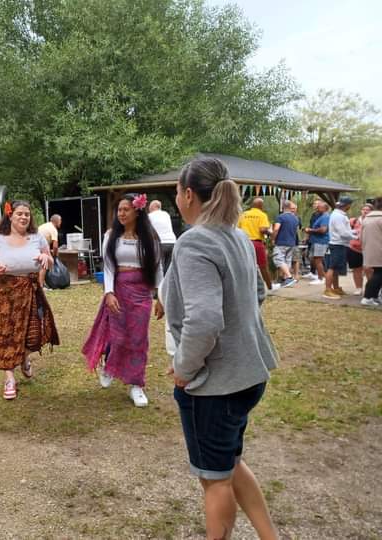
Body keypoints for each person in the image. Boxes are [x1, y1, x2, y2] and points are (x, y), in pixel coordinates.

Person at [161, 157, 279, 540]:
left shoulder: (195, 241)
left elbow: (205, 320)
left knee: (215, 480)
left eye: (176, 192)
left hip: (216, 386)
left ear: (188, 194)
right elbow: (258, 293)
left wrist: (184, 368)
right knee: (230, 463)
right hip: (249, 375)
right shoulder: (238, 236)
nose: (177, 198)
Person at [82, 193, 161, 407]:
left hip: (142, 293)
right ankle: (109, 366)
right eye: (119, 210)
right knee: (117, 335)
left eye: (126, 209)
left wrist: (160, 296)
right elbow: (108, 266)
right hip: (118, 290)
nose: (121, 213)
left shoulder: (150, 237)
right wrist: (108, 292)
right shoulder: (111, 236)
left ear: (137, 211)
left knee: (138, 339)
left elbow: (157, 267)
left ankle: (136, 384)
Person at [0, 200, 59, 400]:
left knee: (33, 335)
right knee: (6, 335)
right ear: (10, 215)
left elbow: (50, 260)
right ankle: (9, 378)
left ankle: (23, 358)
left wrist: (46, 259)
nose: (24, 217)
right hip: (4, 293)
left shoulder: (37, 237)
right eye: (19, 214)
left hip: (31, 289)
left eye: (27, 214)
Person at [238, 198, 275, 290]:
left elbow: (237, 228)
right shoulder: (262, 215)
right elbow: (262, 229)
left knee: (244, 265)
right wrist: (270, 232)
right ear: (261, 206)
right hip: (256, 243)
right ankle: (270, 287)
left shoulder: (243, 214)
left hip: (243, 242)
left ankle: (243, 287)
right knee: (263, 266)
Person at [324, 196, 356, 299]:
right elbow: (343, 233)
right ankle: (327, 290)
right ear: (347, 205)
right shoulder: (338, 216)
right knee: (332, 267)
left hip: (340, 244)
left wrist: (355, 232)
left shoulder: (339, 215)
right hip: (338, 244)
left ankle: (336, 288)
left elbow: (346, 230)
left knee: (336, 268)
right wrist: (356, 237)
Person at [270, 200, 298, 288]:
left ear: (283, 207)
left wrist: (273, 238)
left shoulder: (280, 217)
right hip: (292, 242)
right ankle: (286, 279)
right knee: (287, 260)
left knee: (278, 259)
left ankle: (289, 277)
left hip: (281, 242)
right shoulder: (295, 218)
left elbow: (276, 229)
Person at [360, 197, 382, 306]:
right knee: (379, 274)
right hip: (379, 250)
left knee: (378, 273)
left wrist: (364, 249)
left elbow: (361, 237)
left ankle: (373, 296)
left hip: (369, 250)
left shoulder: (366, 219)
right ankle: (368, 297)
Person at [348, 203, 373, 295]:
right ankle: (358, 288)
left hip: (369, 249)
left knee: (369, 270)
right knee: (356, 269)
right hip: (354, 249)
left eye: (368, 210)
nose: (365, 211)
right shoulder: (353, 221)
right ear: (361, 211)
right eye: (363, 209)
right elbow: (346, 231)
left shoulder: (374, 221)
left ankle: (371, 289)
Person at [304, 201, 330, 285]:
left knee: (318, 260)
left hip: (321, 241)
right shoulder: (320, 216)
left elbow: (323, 230)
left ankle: (321, 278)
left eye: (319, 207)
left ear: (325, 208)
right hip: (316, 241)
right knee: (315, 259)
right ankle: (322, 276)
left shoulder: (325, 217)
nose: (317, 208)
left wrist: (310, 230)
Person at [147, 200, 176, 274]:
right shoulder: (166, 214)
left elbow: (147, 230)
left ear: (153, 207)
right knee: (169, 269)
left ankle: (161, 281)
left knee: (160, 269)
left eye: (150, 207)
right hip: (172, 242)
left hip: (161, 243)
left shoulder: (150, 216)